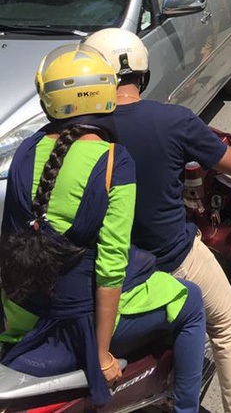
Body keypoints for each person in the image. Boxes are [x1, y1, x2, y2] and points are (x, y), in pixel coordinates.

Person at [84, 29, 231, 413]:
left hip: (107, 270)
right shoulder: (173, 119)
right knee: (226, 323)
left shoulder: (82, 132)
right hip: (173, 259)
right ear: (141, 73)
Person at [0, 44, 206, 413]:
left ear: (48, 99)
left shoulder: (26, 151)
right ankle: (186, 409)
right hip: (74, 321)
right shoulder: (114, 162)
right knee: (190, 301)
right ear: (107, 94)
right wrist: (101, 354)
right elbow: (110, 266)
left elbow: (11, 239)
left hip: (22, 311)